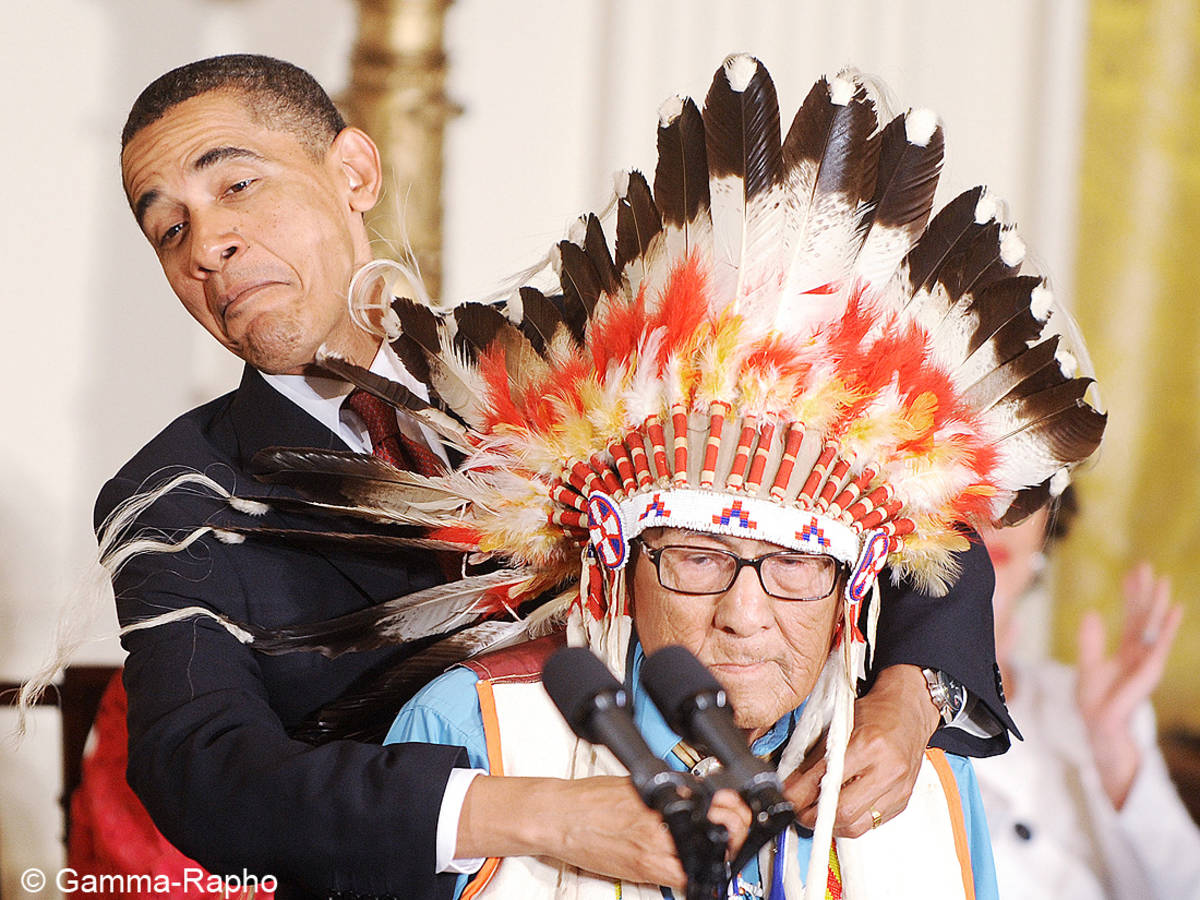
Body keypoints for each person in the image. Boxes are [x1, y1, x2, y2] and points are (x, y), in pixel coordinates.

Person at [101, 52, 1016, 899]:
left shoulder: (571, 366)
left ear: (354, 172)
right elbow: (204, 769)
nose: (205, 244)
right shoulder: (179, 492)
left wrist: (913, 694)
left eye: (238, 184)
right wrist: (545, 815)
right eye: (168, 226)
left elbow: (888, 486)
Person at [328, 53, 1104, 897]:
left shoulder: (924, 793)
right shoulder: (478, 731)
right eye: (697, 557)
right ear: (617, 574)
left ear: (851, 600)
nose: (744, 616)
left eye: (796, 564)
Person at [976, 494, 1200, 898]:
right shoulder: (874, 717)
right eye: (972, 480)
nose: (997, 511)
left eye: (1025, 488)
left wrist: (1114, 750)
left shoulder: (1088, 703)